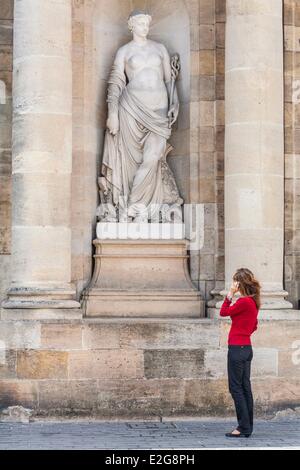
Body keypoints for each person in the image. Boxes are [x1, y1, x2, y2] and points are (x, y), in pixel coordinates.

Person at [100, 9, 181, 222]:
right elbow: (115, 83)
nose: (145, 27)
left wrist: (175, 102)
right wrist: (112, 113)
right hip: (131, 109)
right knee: (131, 161)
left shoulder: (160, 49)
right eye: (141, 23)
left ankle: (132, 207)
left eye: (147, 23)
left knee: (153, 157)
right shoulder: (124, 52)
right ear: (131, 25)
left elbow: (168, 81)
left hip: (158, 111)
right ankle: (132, 209)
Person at [220, 267, 261, 438]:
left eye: (234, 282)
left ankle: (243, 427)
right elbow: (254, 326)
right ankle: (247, 426)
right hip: (246, 348)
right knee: (245, 387)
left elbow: (223, 312)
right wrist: (243, 332)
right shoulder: (253, 302)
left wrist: (230, 294)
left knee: (236, 388)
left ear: (238, 283)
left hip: (237, 349)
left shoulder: (244, 302)